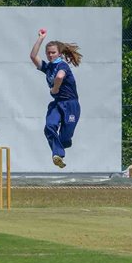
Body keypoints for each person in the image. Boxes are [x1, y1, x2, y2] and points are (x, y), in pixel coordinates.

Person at [30, 29, 82, 168]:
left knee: (65, 139)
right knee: (49, 127)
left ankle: (64, 144)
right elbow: (33, 56)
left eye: (53, 52)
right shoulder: (48, 67)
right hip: (57, 104)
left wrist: (55, 89)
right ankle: (57, 155)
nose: (50, 55)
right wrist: (40, 38)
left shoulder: (62, 65)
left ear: (59, 53)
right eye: (48, 53)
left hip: (70, 105)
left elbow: (59, 76)